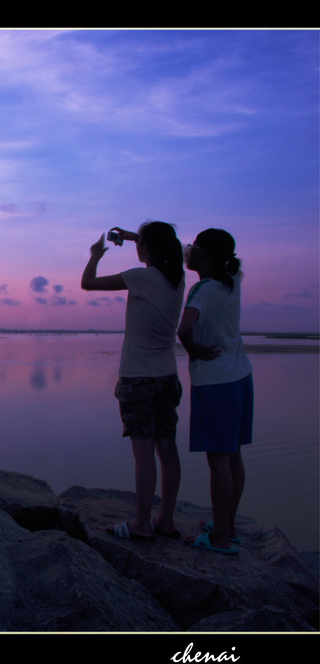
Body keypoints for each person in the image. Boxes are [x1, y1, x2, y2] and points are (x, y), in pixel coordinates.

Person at [81, 221, 185, 540]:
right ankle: (165, 519)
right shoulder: (177, 279)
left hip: (138, 378)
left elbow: (89, 283)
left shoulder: (141, 277)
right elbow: (173, 247)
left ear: (146, 249)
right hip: (167, 377)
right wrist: (133, 237)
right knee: (167, 448)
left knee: (143, 451)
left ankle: (142, 524)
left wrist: (96, 255)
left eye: (141, 244)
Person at [177, 228, 252, 555]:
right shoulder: (231, 279)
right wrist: (137, 237)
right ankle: (229, 527)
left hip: (215, 383)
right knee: (233, 455)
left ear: (204, 255)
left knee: (218, 461)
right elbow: (180, 248)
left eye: (193, 248)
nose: (187, 251)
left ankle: (220, 539)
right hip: (241, 377)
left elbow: (184, 328)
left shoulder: (203, 290)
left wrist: (191, 348)